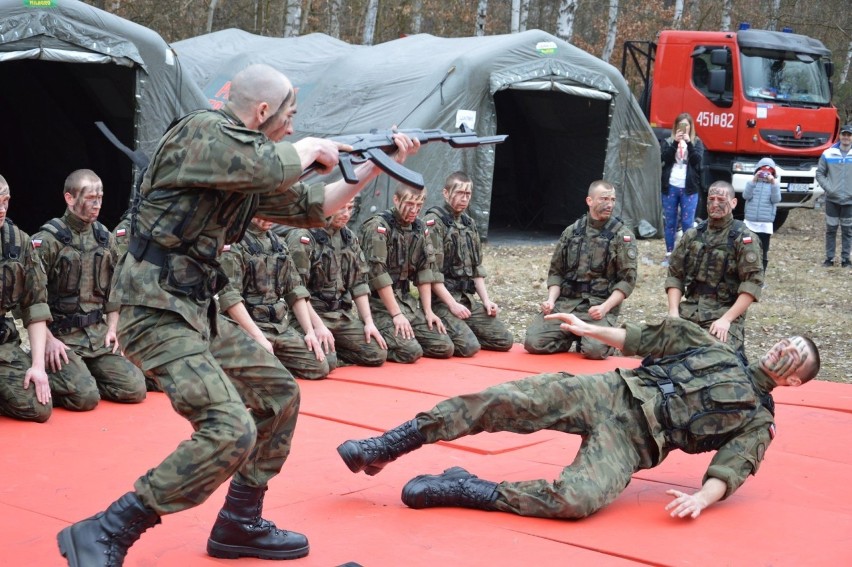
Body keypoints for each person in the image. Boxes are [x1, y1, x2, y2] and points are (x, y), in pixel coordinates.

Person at [57, 63, 418, 566]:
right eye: (289, 116)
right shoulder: (202, 133)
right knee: (229, 428)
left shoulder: (250, 166)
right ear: (264, 111)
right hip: (152, 307)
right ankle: (107, 529)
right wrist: (312, 148)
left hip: (194, 307)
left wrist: (377, 164)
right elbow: (277, 161)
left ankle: (239, 522)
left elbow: (314, 203)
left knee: (278, 394)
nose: (292, 127)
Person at [336, 313, 820, 520]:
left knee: (577, 500)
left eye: (794, 356)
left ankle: (466, 488)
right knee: (501, 401)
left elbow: (734, 466)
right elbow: (645, 338)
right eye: (787, 342)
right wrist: (589, 328)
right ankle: (387, 446)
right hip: (607, 391)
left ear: (795, 381)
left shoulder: (759, 418)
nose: (784, 350)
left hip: (634, 443)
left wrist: (703, 498)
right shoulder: (717, 348)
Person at [33, 169, 146, 411]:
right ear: (69, 198)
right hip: (61, 339)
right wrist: (48, 340)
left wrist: (113, 327)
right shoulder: (48, 241)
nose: (97, 205)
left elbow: (114, 291)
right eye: (90, 198)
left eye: (100, 198)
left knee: (135, 388)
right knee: (85, 399)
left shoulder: (105, 237)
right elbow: (31, 300)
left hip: (96, 335)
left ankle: (82, 377)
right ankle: (68, 378)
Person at [523, 180, 637, 359]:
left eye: (613, 199)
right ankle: (572, 334)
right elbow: (556, 272)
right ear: (589, 201)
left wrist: (605, 308)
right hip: (566, 304)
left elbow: (627, 281)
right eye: (604, 199)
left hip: (597, 308)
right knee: (533, 343)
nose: (610, 204)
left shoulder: (623, 236)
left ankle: (596, 337)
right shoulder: (571, 232)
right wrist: (551, 301)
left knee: (594, 351)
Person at [218, 216, 334, 380]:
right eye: (262, 214)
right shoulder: (233, 243)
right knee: (268, 376)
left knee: (320, 366)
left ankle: (271, 360)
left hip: (278, 327)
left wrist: (310, 331)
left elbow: (295, 290)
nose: (268, 219)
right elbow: (230, 297)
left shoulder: (278, 244)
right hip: (247, 327)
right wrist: (257, 336)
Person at [284, 199, 388, 367]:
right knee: (326, 363)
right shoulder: (303, 237)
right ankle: (324, 349)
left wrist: (369, 322)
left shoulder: (348, 237)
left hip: (341, 316)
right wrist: (317, 326)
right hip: (313, 315)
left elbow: (359, 284)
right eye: (341, 208)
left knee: (377, 354)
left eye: (350, 208)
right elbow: (297, 291)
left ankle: (335, 345)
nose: (346, 214)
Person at [358, 184, 454, 363]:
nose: (415, 210)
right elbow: (378, 276)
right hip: (379, 304)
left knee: (444, 347)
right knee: (411, 352)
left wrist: (428, 311)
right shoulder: (378, 227)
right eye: (409, 204)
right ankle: (386, 343)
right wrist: (396, 315)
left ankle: (405, 337)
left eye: (419, 205)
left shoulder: (419, 227)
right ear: (396, 200)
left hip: (405, 301)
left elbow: (424, 271)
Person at [665, 180, 763, 354]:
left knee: (712, 356)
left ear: (733, 203)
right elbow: (675, 276)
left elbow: (752, 286)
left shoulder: (745, 239)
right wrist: (674, 313)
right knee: (661, 350)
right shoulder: (692, 235)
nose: (715, 204)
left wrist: (726, 320)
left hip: (723, 315)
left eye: (721, 200)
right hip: (689, 312)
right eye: (711, 199)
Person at [425, 172, 513, 357]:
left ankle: (462, 329)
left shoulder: (469, 224)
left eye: (468, 194)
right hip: (442, 302)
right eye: (459, 193)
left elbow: (476, 269)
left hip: (467, 300)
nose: (464, 198)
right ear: (446, 193)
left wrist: (487, 301)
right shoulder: (434, 223)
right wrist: (452, 305)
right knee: (469, 347)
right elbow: (431, 274)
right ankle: (442, 333)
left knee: (504, 340)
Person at [0, 175, 52, 423]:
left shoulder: (18, 242)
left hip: (2, 345)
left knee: (39, 408)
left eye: (5, 201)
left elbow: (34, 305)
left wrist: (38, 366)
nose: (1, 209)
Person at [660, 113, 704, 266]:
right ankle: (669, 253)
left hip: (689, 188)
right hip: (670, 185)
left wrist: (688, 144)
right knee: (670, 222)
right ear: (676, 127)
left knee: (687, 222)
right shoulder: (668, 141)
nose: (684, 129)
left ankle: (687, 254)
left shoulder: (697, 143)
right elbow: (664, 158)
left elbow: (697, 160)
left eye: (687, 126)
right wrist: (675, 143)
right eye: (681, 126)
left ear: (691, 127)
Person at [815, 124, 852, 267]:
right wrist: (829, 189)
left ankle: (845, 259)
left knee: (847, 231)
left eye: (849, 135)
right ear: (840, 136)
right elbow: (819, 173)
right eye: (844, 134)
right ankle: (829, 258)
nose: (846, 137)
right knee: (831, 230)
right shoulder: (828, 153)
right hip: (832, 199)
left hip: (849, 200)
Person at [743, 157, 782, 272]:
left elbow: (776, 199)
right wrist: (754, 181)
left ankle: (761, 274)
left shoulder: (774, 186)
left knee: (763, 251)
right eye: (762, 172)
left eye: (768, 172)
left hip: (765, 225)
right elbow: (746, 196)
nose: (765, 175)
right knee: (747, 248)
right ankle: (746, 272)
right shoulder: (751, 183)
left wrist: (773, 183)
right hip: (750, 223)